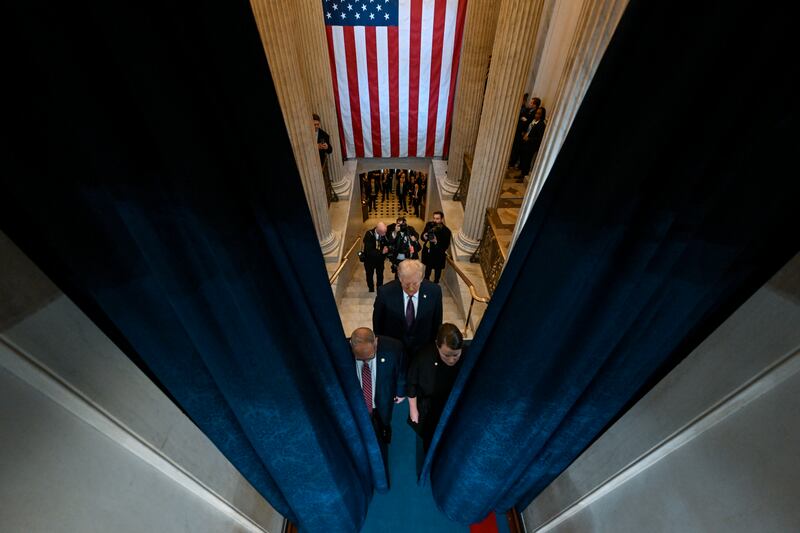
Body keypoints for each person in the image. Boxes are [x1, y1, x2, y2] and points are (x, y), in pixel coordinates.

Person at [350, 328, 406, 471]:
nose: (365, 361)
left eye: (369, 357)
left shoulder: (394, 348)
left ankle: (385, 431)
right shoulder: (343, 352)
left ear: (376, 343)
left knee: (384, 421)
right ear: (351, 345)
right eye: (360, 359)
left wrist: (400, 392)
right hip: (359, 404)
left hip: (383, 398)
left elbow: (401, 372)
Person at [407, 323, 466, 456]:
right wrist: (413, 409)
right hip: (430, 407)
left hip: (455, 404)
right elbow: (412, 384)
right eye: (446, 355)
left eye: (456, 355)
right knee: (430, 439)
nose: (451, 360)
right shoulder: (423, 357)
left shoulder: (468, 355)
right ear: (437, 345)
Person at [373, 259, 442, 362]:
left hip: (422, 351)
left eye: (415, 284)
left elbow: (437, 322)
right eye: (406, 284)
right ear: (400, 278)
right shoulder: (385, 292)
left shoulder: (434, 291)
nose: (410, 288)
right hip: (394, 350)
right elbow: (378, 323)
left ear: (422, 278)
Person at [509, 97, 540, 169]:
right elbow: (521, 116)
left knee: (518, 148)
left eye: (532, 103)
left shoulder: (534, 113)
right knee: (515, 146)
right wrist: (524, 119)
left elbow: (528, 122)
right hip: (519, 130)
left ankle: (513, 163)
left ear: (535, 105)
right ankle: (512, 161)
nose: (530, 103)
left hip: (524, 133)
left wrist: (525, 120)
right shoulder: (528, 110)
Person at [421, 211, 452, 283]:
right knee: (427, 271)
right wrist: (424, 236)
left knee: (437, 273)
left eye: (437, 219)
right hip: (428, 253)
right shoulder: (429, 225)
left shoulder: (446, 231)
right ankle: (426, 283)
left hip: (438, 255)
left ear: (442, 219)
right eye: (434, 218)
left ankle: (435, 285)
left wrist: (436, 242)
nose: (435, 221)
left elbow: (445, 246)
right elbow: (422, 237)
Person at [518, 106, 547, 182]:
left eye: (539, 114)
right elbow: (529, 130)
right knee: (523, 159)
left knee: (527, 161)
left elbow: (539, 138)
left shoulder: (541, 125)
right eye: (536, 113)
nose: (536, 115)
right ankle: (521, 173)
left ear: (542, 115)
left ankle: (523, 176)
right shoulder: (533, 121)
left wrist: (529, 139)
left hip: (531, 146)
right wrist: (525, 133)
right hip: (526, 142)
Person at [363, 222, 389, 292]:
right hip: (369, 261)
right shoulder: (369, 234)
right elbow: (369, 251)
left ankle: (379, 289)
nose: (384, 234)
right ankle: (371, 288)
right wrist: (382, 252)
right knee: (369, 275)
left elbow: (387, 243)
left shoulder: (384, 234)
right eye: (382, 233)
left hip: (380, 261)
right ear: (377, 229)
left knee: (380, 276)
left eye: (385, 232)